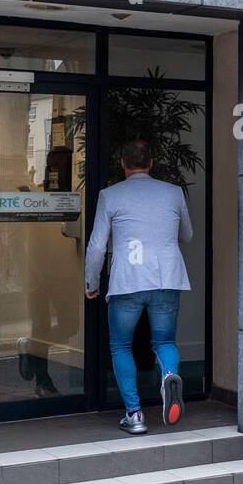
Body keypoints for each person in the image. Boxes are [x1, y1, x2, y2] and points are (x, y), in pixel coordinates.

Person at [84, 139, 193, 434]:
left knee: (121, 345)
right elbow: (187, 234)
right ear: (152, 163)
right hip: (166, 279)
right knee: (165, 342)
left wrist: (91, 282)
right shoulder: (173, 192)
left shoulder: (110, 195)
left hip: (127, 282)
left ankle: (135, 415)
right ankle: (169, 374)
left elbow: (96, 247)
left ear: (123, 164)